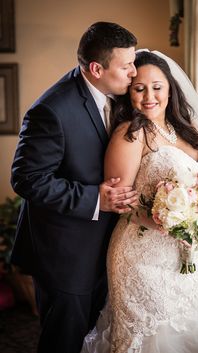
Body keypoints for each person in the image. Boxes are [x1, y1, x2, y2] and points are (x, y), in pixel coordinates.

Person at [81, 50, 198, 352]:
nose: (149, 96)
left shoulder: (189, 130)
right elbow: (119, 200)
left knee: (192, 328)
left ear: (170, 89)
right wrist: (167, 221)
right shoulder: (131, 133)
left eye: (157, 87)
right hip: (143, 257)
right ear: (130, 92)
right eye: (139, 88)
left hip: (190, 254)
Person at [10, 22, 138, 353]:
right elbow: (27, 178)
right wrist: (96, 199)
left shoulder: (120, 97)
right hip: (65, 254)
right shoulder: (51, 110)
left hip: (106, 248)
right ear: (97, 69)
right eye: (126, 66)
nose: (133, 73)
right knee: (64, 342)